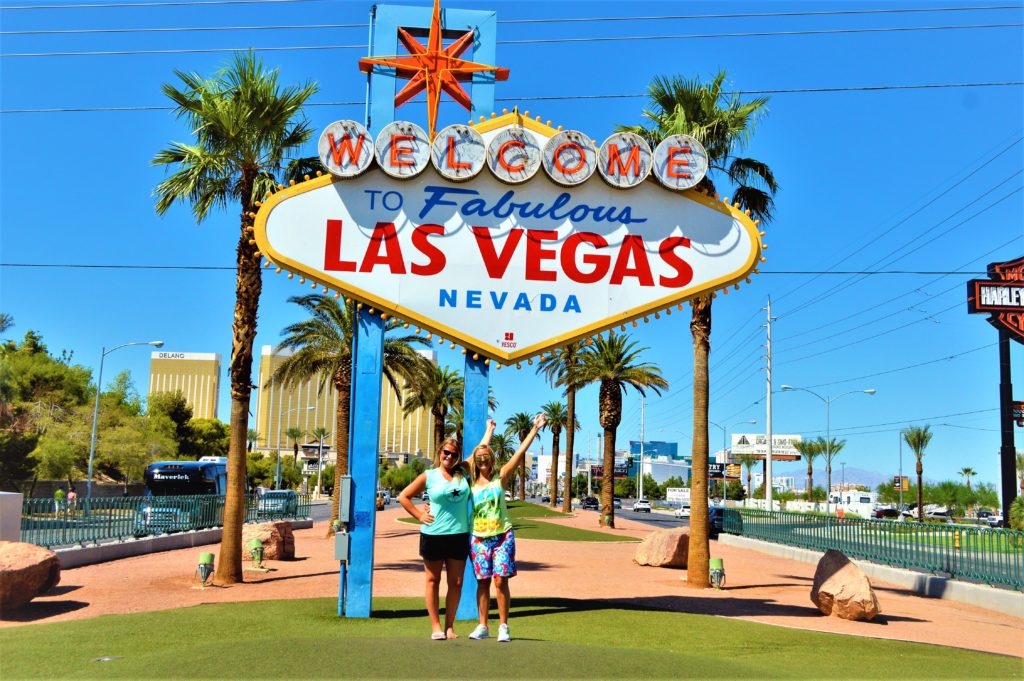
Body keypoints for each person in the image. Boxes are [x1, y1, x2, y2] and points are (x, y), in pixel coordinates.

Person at [397, 429, 488, 641]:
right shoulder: (428, 476)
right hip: (433, 535)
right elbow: (404, 496)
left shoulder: (463, 471)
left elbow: (477, 452)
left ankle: (449, 626)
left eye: (454, 454)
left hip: (458, 535)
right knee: (432, 580)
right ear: (440, 452)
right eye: (447, 452)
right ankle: (435, 626)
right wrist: (419, 515)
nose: (450, 457)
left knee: (456, 583)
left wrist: (489, 430)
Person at [467, 413, 545, 643]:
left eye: (486, 458)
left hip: (502, 535)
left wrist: (534, 429)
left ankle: (503, 626)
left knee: (500, 580)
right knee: (483, 581)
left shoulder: (500, 477)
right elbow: (473, 456)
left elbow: (519, 453)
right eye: (479, 459)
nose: (482, 462)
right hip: (479, 538)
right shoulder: (470, 482)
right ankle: (483, 626)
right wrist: (488, 433)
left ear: (492, 460)